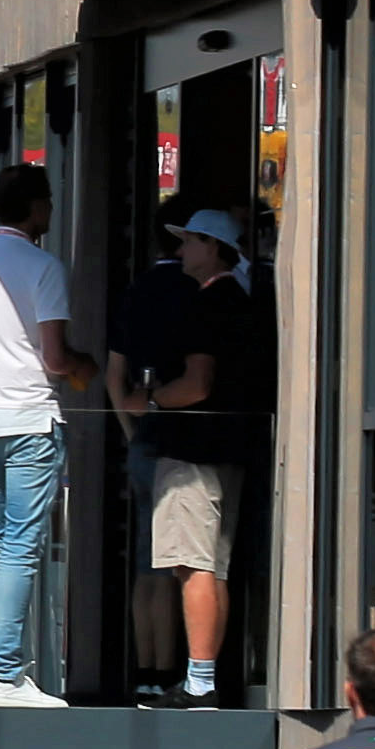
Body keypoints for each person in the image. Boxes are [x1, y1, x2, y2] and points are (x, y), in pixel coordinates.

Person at [111, 207, 271, 704]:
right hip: (227, 451)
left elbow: (197, 384)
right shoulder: (239, 301)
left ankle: (199, 682)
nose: (181, 251)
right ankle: (204, 677)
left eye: (190, 242)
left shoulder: (209, 304)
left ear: (212, 246)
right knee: (212, 568)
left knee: (191, 566)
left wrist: (152, 400)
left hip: (192, 454)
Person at [0, 165, 95, 705]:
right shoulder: (43, 266)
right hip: (29, 417)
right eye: (50, 203)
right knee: (21, 547)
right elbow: (56, 358)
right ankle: (5, 674)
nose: (53, 212)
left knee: (2, 547)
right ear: (35, 207)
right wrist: (86, 363)